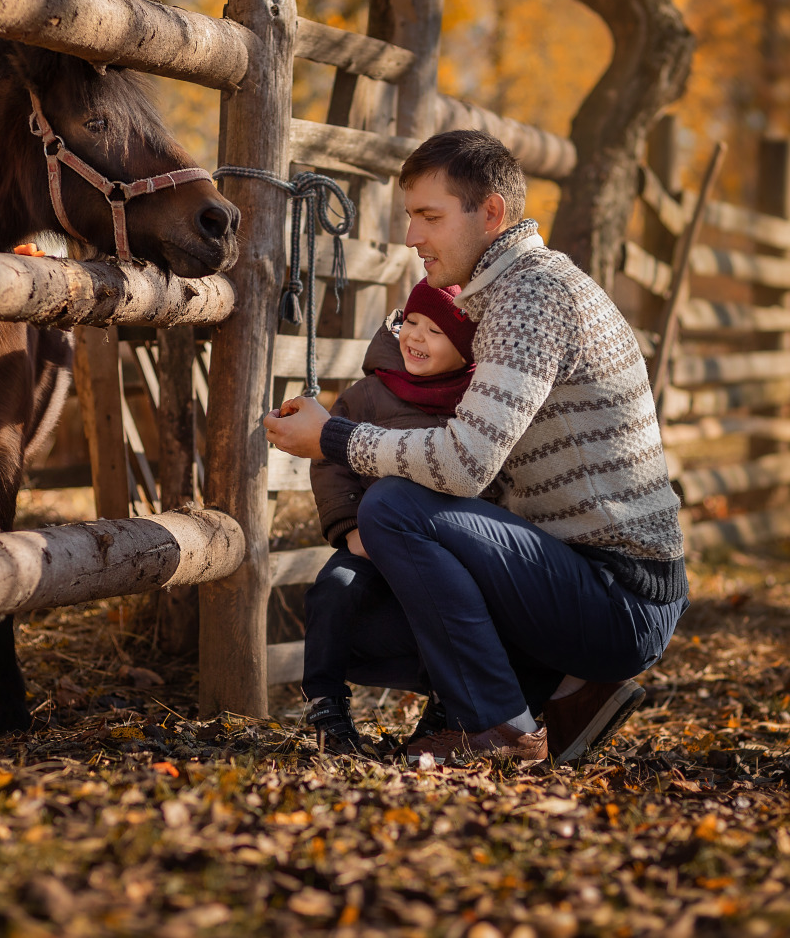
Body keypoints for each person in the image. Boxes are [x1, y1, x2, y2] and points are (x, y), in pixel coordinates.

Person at [264, 130, 689, 764]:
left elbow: (463, 464)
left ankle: (501, 725)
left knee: (393, 510)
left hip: (619, 593)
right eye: (411, 216)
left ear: (490, 214)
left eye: (429, 216)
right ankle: (562, 692)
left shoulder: (532, 297)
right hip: (575, 579)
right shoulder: (503, 298)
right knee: (354, 623)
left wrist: (332, 437)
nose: (412, 237)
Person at [303, 278, 500, 755]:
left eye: (435, 331)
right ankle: (325, 703)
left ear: (466, 348)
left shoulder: (478, 404)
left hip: (441, 548)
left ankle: (442, 710)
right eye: (411, 321)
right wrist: (349, 527)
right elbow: (330, 459)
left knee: (453, 610)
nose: (415, 336)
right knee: (335, 591)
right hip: (369, 541)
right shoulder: (369, 394)